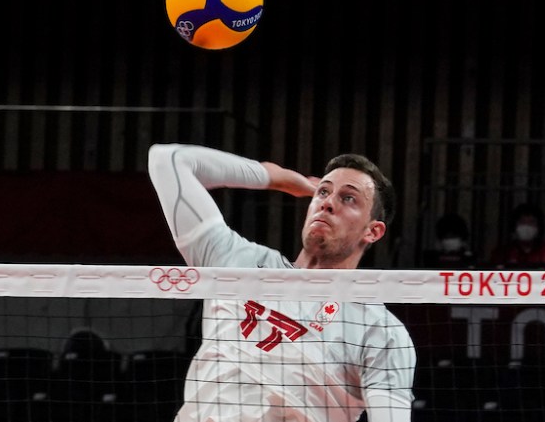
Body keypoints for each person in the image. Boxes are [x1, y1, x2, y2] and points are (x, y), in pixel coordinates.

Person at [147, 143, 416, 422]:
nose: (327, 202)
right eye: (323, 191)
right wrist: (277, 178)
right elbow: (169, 159)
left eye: (349, 198)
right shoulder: (236, 261)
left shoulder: (380, 331)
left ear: (373, 231)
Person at [487, 202, 545, 269]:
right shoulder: (503, 253)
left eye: (531, 222)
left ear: (539, 227)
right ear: (514, 226)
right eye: (522, 222)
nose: (526, 226)